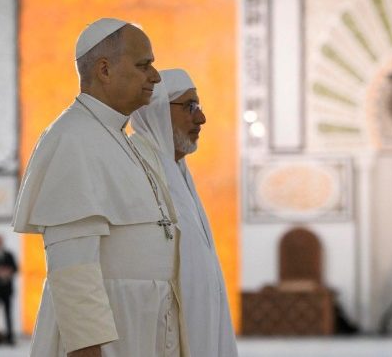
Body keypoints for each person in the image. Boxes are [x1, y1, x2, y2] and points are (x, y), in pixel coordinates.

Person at [13, 18, 189, 357]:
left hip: (143, 321)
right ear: (105, 70)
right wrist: (88, 348)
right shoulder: (72, 139)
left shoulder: (120, 137)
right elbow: (73, 267)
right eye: (143, 65)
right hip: (108, 332)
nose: (155, 77)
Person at [130, 69, 238, 356]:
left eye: (198, 106)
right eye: (189, 106)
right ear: (156, 111)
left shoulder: (177, 170)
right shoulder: (134, 167)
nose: (201, 118)